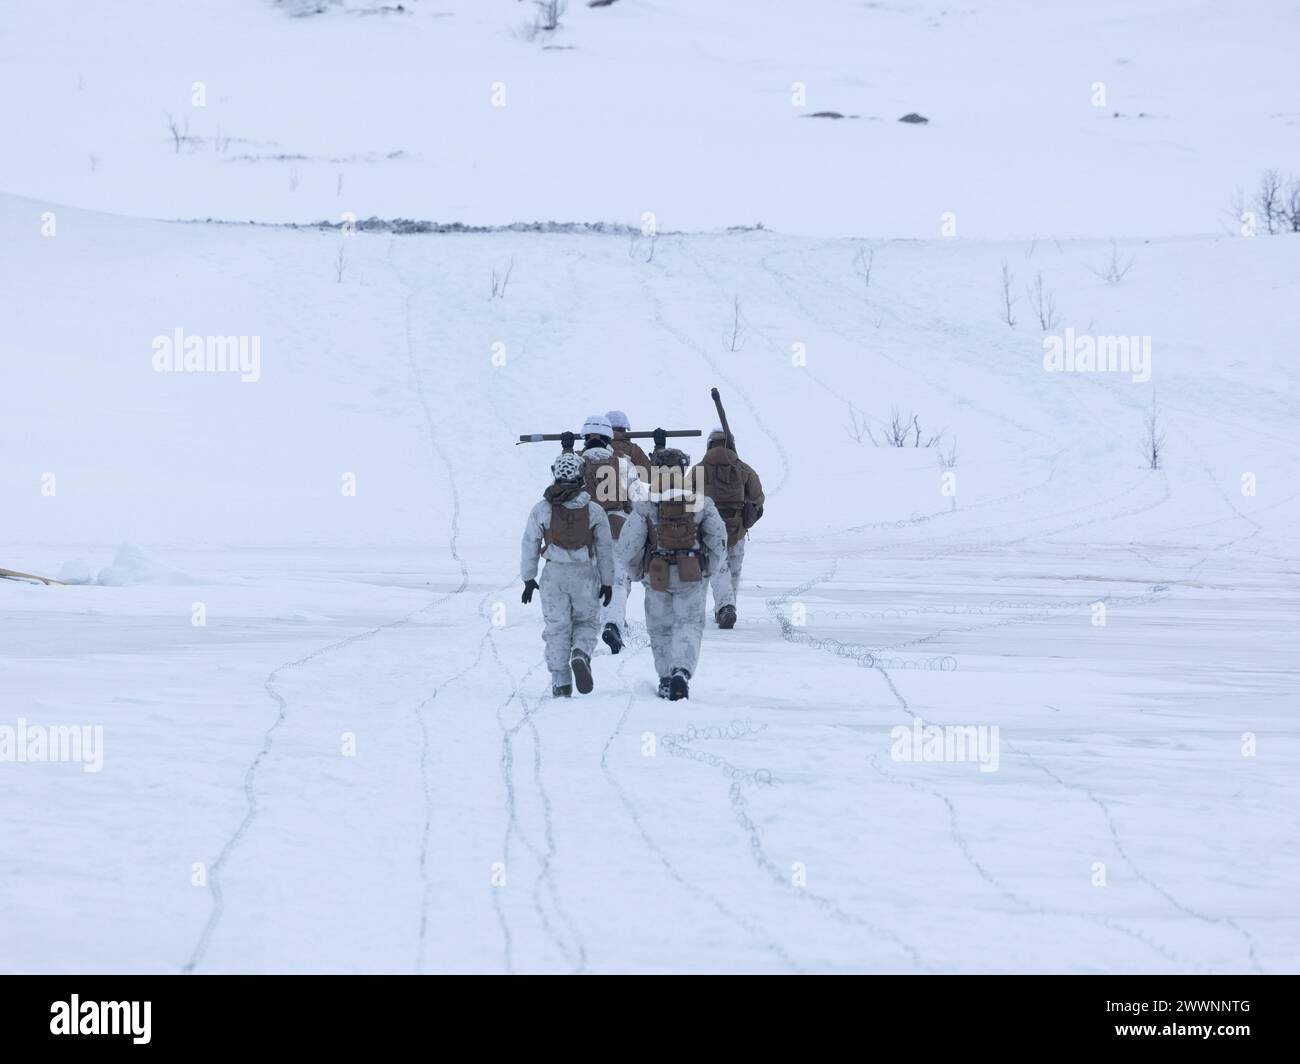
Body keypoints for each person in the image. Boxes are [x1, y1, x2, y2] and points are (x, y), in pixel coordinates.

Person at [617, 447, 728, 701]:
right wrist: (709, 568)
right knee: (689, 625)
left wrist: (637, 573)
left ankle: (666, 678)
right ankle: (682, 672)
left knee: (660, 629)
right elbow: (719, 538)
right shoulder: (700, 502)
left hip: (656, 575)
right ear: (683, 469)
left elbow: (627, 547)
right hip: (692, 574)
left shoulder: (645, 504)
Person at [520, 452, 614, 697]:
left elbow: (530, 542)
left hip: (554, 574)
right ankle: (581, 652)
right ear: (581, 474)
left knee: (557, 628)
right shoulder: (594, 510)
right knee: (586, 622)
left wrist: (528, 578)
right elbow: (605, 548)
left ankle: (561, 681)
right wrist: (607, 581)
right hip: (585, 575)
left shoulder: (542, 508)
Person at [573, 413, 645, 655]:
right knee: (616, 582)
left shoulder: (574, 462)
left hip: (581, 532)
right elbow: (637, 499)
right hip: (616, 529)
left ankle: (582, 630)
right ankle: (612, 624)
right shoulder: (624, 463)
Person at [692, 428, 764, 629]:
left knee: (718, 567)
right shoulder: (745, 469)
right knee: (734, 568)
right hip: (737, 526)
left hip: (709, 526)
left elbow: (686, 497)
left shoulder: (699, 469)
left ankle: (725, 607)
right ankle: (726, 607)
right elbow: (758, 498)